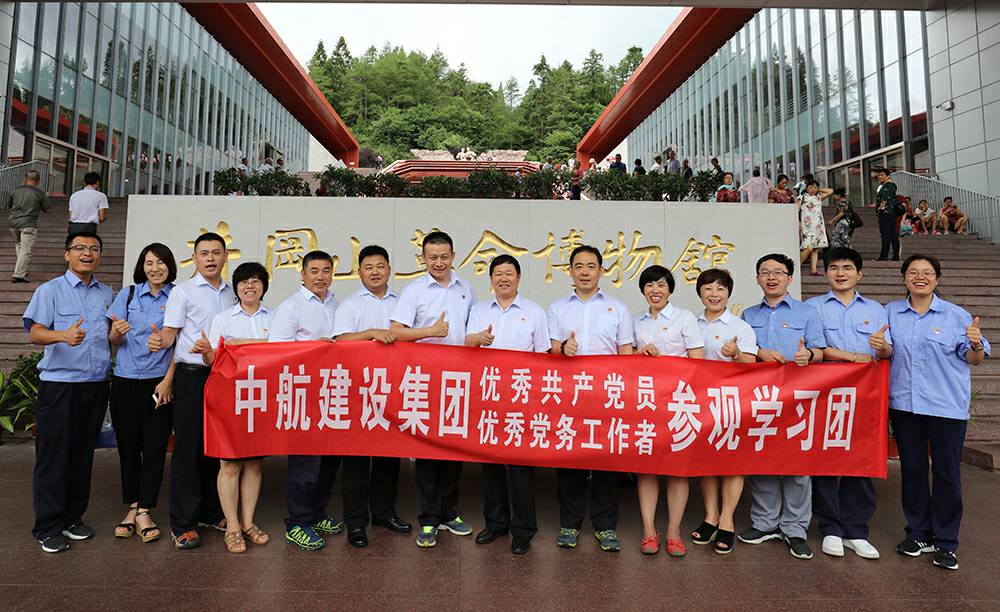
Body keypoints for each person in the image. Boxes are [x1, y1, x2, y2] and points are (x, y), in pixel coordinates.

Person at [887, 254, 989, 571]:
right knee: (913, 471)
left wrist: (975, 344)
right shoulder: (890, 312)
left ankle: (946, 542)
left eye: (927, 273)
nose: (920, 277)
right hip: (905, 406)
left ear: (937, 279)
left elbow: (974, 359)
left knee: (947, 474)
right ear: (904, 277)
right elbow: (885, 351)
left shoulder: (956, 315)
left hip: (946, 408)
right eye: (913, 272)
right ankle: (918, 534)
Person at [23, 232, 113, 553]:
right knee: (53, 456)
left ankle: (73, 518)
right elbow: (35, 332)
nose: (87, 253)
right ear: (67, 254)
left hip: (95, 384)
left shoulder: (107, 293)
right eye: (80, 248)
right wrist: (62, 335)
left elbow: (110, 336)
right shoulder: (50, 291)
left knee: (82, 454)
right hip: (60, 386)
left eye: (94, 249)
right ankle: (48, 526)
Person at [149, 232, 237, 549]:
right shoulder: (182, 292)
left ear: (226, 256)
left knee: (217, 446)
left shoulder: (233, 293)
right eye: (204, 253)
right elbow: (170, 334)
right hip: (192, 376)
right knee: (188, 448)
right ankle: (183, 523)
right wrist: (160, 340)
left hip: (224, 376)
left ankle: (210, 512)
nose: (210, 258)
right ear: (195, 258)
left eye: (216, 252)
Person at [805, 247, 893, 560]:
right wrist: (853, 357)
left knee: (861, 459)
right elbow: (815, 348)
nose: (840, 273)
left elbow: (888, 351)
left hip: (866, 395)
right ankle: (830, 527)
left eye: (847, 268)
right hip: (826, 394)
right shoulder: (812, 307)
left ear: (859, 273)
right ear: (826, 273)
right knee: (825, 460)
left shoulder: (877, 309)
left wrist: (881, 349)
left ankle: (856, 530)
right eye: (833, 268)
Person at [390, 231, 476, 548]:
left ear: (454, 256)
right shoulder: (414, 291)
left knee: (453, 446)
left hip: (458, 379)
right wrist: (431, 331)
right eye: (433, 257)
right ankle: (428, 517)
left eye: (444, 257)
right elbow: (396, 332)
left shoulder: (466, 289)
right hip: (424, 380)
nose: (439, 263)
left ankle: (448, 512)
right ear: (423, 259)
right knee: (427, 449)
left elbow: (468, 331)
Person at [548, 245, 634, 552]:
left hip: (606, 395)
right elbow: (550, 349)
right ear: (570, 271)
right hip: (569, 395)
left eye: (591, 266)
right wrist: (563, 349)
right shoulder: (557, 308)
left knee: (605, 462)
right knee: (570, 459)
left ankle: (605, 527)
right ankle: (569, 524)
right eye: (579, 266)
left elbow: (626, 354)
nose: (585, 272)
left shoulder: (618, 309)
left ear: (601, 271)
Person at [739, 253, 826, 560]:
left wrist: (809, 356)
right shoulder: (748, 314)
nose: (771, 277)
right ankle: (764, 523)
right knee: (761, 459)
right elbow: (744, 352)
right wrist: (759, 351)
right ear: (757, 279)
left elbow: (820, 350)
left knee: (797, 465)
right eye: (765, 272)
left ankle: (795, 528)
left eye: (778, 272)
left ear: (790, 278)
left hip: (797, 397)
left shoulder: (807, 312)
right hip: (760, 397)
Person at [465, 254, 549, 555]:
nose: (503, 278)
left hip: (522, 398)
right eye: (498, 273)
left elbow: (543, 355)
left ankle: (523, 530)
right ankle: (495, 523)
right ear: (491, 279)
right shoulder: (478, 310)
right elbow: (466, 343)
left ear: (518, 278)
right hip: (488, 396)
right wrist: (478, 338)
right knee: (491, 465)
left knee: (520, 467)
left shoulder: (534, 311)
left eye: (509, 273)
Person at [332, 245, 412, 541]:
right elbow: (340, 341)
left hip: (394, 388)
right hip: (357, 390)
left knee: (389, 456)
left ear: (389, 269)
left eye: (380, 266)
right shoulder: (350, 305)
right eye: (369, 267)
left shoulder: (403, 303)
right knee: (356, 460)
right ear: (359, 272)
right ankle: (355, 522)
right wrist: (370, 334)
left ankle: (384, 513)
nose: (375, 272)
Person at [268, 251, 345, 551]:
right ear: (302, 274)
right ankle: (298, 522)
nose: (320, 276)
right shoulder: (291, 308)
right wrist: (315, 348)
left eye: (326, 270)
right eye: (314, 271)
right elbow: (277, 354)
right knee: (305, 463)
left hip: (332, 393)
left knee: (329, 461)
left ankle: (317, 513)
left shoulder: (336, 305)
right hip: (303, 394)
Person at [196, 262, 272, 554]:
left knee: (254, 463)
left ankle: (249, 523)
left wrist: (238, 344)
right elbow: (213, 359)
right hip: (229, 398)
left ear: (264, 286)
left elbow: (281, 350)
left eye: (256, 281)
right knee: (229, 463)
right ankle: (232, 526)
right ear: (236, 288)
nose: (250, 286)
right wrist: (210, 352)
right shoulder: (223, 318)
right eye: (243, 282)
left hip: (261, 398)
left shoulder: (275, 317)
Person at [106, 243, 178, 545]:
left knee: (155, 448)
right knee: (128, 447)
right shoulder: (128, 295)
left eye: (160, 262)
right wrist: (117, 332)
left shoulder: (177, 296)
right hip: (124, 382)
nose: (155, 268)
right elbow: (113, 340)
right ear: (142, 266)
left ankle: (146, 509)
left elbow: (180, 344)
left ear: (169, 266)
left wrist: (168, 381)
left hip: (158, 384)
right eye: (149, 263)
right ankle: (133, 507)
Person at [632, 265, 703, 556]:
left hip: (678, 404)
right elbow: (625, 361)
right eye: (649, 285)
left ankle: (674, 531)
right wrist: (639, 354)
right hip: (647, 404)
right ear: (643, 291)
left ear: (670, 290)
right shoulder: (635, 321)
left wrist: (667, 366)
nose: (655, 290)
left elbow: (698, 361)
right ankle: (649, 530)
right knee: (647, 469)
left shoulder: (685, 318)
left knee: (677, 469)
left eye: (661, 285)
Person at [691, 268, 757, 555]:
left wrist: (736, 355)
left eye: (720, 288)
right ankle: (711, 515)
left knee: (731, 462)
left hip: (732, 402)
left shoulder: (740, 327)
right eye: (708, 288)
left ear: (728, 293)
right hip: (699, 402)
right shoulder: (691, 323)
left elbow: (752, 362)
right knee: (706, 460)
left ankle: (727, 519)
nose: (714, 294)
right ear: (700, 293)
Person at [8, 169, 51, 283]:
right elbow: (48, 209)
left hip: (13, 223)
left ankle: (22, 269)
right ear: (38, 181)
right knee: (26, 249)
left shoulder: (15, 190)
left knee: (19, 245)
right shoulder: (39, 193)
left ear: (25, 179)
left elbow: (10, 205)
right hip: (29, 224)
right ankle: (18, 275)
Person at [798, 179, 833, 276]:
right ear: (806, 188)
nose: (813, 189)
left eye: (815, 187)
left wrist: (818, 189)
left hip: (818, 226)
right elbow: (795, 210)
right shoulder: (802, 197)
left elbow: (831, 191)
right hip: (807, 226)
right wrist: (798, 222)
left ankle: (813, 270)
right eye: (810, 187)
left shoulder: (818, 197)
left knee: (815, 249)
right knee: (808, 247)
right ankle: (795, 267)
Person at [874, 167, 901, 261]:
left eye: (882, 175)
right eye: (879, 175)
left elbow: (885, 198)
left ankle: (884, 255)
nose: (880, 177)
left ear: (888, 176)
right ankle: (895, 256)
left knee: (885, 234)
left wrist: (880, 208)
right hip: (891, 213)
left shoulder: (888, 185)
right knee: (893, 234)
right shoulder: (888, 185)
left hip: (885, 213)